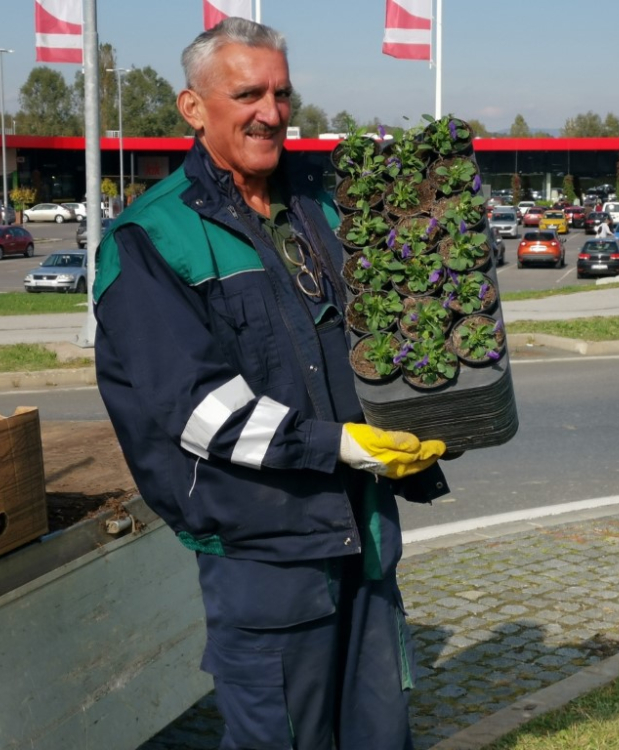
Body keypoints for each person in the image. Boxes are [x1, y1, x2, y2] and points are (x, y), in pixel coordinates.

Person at [93, 18, 449, 750]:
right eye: (247, 93)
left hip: (366, 535)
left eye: (282, 93)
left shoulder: (322, 205)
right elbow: (197, 413)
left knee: (381, 735)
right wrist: (340, 445)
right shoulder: (150, 242)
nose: (270, 111)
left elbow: (381, 329)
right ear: (194, 107)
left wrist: (427, 399)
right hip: (265, 553)